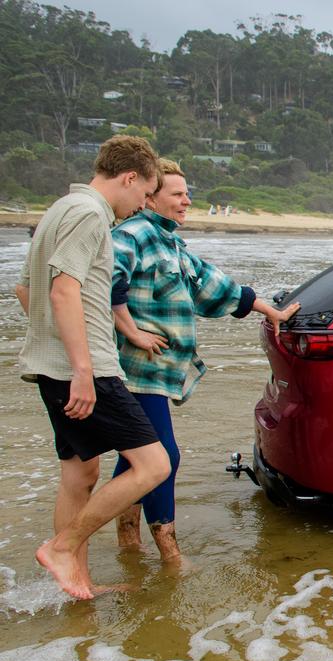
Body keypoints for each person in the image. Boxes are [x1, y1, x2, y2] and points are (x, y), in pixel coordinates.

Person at [110, 158, 300, 562]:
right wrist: (131, 330)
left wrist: (270, 311)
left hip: (156, 371)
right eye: (177, 194)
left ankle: (128, 539)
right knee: (163, 458)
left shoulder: (168, 242)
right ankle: (169, 550)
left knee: (136, 457)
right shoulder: (134, 234)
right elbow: (105, 278)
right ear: (149, 197)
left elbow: (216, 286)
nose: (186, 201)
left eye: (186, 193)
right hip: (135, 369)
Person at [15, 135, 171, 600]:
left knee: (80, 474)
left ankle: (75, 584)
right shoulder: (89, 215)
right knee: (153, 464)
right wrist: (82, 369)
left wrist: (55, 348)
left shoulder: (60, 209)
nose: (142, 206)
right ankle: (63, 549)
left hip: (51, 366)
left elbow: (27, 291)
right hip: (87, 371)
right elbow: (63, 291)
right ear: (128, 178)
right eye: (144, 194)